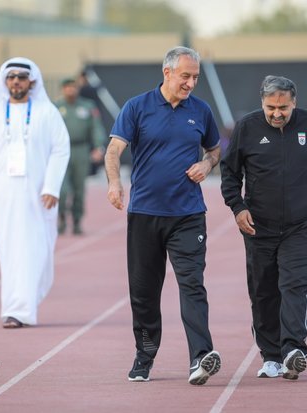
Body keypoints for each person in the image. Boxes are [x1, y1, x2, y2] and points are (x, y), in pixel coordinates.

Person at [105, 46, 221, 385]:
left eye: (195, 77)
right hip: (145, 214)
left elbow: (215, 149)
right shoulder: (137, 107)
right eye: (186, 76)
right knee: (144, 292)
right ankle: (145, 355)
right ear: (167, 72)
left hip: (188, 214)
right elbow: (114, 149)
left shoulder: (200, 110)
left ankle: (201, 357)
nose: (191, 83)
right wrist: (114, 183)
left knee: (192, 285)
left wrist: (206, 164)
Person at [220, 75, 307, 380]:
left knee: (294, 285)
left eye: (283, 107)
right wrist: (237, 208)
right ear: (262, 102)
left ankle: (293, 350)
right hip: (258, 226)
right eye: (271, 107)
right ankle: (271, 356)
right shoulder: (246, 128)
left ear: (294, 103)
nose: (277, 113)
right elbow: (230, 173)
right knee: (263, 291)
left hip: (301, 225)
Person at [0, 57, 70, 329]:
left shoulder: (47, 113)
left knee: (38, 253)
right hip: (2, 196)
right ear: (4, 81)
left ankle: (24, 304)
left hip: (38, 196)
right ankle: (16, 310)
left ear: (31, 80)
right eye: (11, 77)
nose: (17, 81)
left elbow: (61, 150)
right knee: (11, 252)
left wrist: (51, 187)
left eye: (22, 76)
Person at [54, 77, 106, 235]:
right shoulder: (56, 108)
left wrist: (98, 146)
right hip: (61, 151)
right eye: (67, 87)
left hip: (81, 150)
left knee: (79, 189)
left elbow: (96, 127)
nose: (71, 90)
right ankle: (61, 216)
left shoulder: (87, 106)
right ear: (62, 89)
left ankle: (77, 221)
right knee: (62, 190)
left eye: (73, 87)